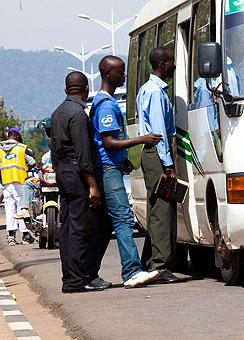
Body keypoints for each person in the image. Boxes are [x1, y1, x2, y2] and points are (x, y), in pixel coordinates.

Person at [90, 55, 162, 288]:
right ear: (107, 74)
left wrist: (124, 161)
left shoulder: (106, 102)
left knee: (108, 222)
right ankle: (131, 271)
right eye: (120, 72)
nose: (124, 76)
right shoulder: (107, 105)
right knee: (123, 218)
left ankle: (90, 271)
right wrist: (141, 139)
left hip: (113, 166)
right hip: (108, 170)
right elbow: (109, 142)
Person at [137, 47, 186, 283]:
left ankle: (151, 259)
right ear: (163, 64)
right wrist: (168, 164)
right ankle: (161, 265)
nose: (174, 66)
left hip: (152, 154)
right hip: (157, 154)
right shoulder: (156, 93)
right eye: (172, 62)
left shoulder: (147, 90)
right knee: (162, 209)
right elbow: (159, 134)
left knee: (157, 206)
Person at [51, 71, 104, 293]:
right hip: (77, 172)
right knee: (81, 227)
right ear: (86, 90)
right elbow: (83, 154)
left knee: (67, 226)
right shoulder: (79, 115)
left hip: (62, 170)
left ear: (65, 90)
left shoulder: (57, 113)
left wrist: (59, 171)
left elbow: (54, 150)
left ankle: (69, 277)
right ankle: (78, 279)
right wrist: (92, 185)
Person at [0, 128, 36, 245]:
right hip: (20, 182)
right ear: (17, 137)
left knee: (9, 209)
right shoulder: (21, 148)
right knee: (21, 209)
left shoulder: (0, 150)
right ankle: (25, 236)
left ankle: (11, 236)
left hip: (6, 183)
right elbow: (32, 162)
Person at [13, 150, 52, 219]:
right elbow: (41, 165)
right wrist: (38, 168)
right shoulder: (47, 156)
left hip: (62, 181)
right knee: (28, 183)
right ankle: (25, 209)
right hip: (45, 180)